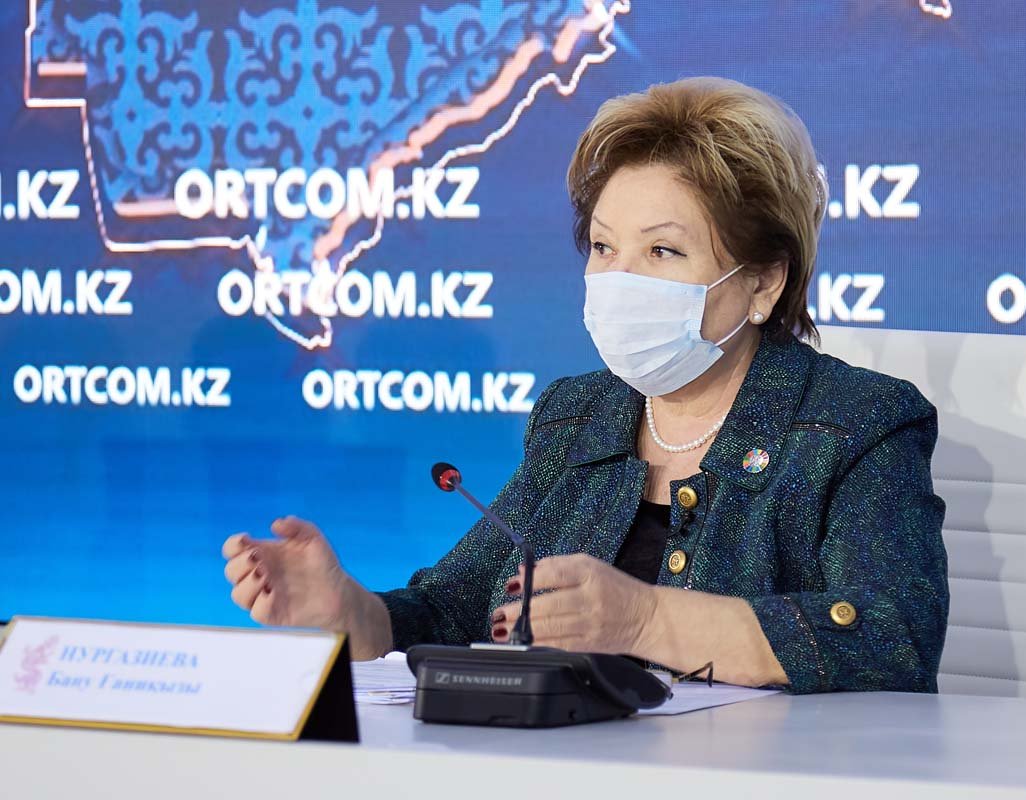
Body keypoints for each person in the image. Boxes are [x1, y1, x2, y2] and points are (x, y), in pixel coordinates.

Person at [222, 77, 949, 693]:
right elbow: (459, 608)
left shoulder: (857, 425)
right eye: (604, 246)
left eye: (663, 251)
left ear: (763, 283)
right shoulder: (578, 416)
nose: (620, 279)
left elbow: (895, 638)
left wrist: (644, 619)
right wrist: (354, 616)